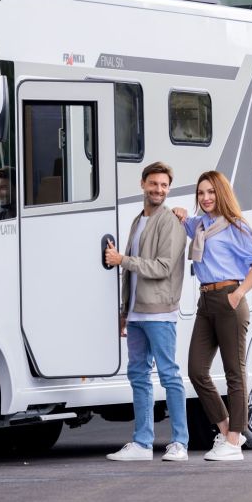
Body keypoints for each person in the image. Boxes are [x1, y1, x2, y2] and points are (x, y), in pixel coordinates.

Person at [172, 171, 252, 461]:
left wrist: (238, 294)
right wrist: (179, 213)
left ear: (221, 193)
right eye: (201, 193)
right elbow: (183, 222)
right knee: (196, 370)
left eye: (211, 192)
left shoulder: (236, 227)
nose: (206, 197)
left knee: (234, 373)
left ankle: (235, 442)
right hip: (206, 301)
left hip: (229, 299)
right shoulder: (200, 225)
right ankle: (226, 432)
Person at [104, 161, 189, 462]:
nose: (159, 190)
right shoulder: (138, 220)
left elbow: (164, 267)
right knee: (138, 375)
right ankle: (142, 443)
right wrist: (124, 311)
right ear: (143, 184)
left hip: (160, 312)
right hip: (138, 313)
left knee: (169, 375)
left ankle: (180, 442)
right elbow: (131, 277)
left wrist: (122, 259)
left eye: (164, 185)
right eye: (154, 184)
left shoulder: (171, 222)